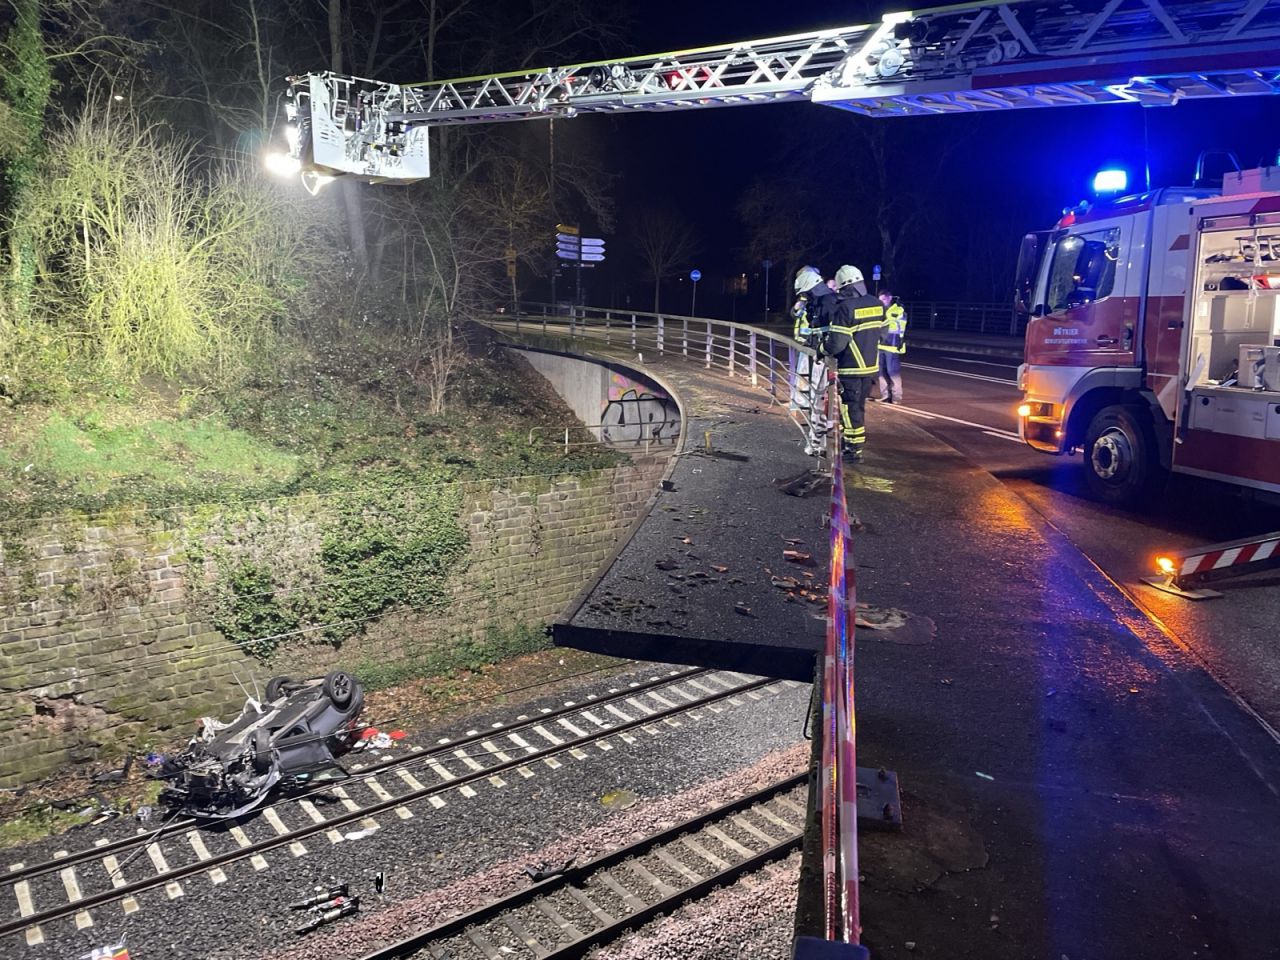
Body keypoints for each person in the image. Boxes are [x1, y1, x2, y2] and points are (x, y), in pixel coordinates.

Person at [826, 265, 885, 462]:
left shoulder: (846, 308)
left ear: (845, 287)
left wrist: (821, 349)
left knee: (849, 408)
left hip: (851, 367)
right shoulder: (877, 303)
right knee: (859, 406)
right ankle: (854, 445)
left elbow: (836, 344)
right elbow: (883, 333)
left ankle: (852, 449)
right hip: (870, 368)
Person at [793, 266, 838, 456]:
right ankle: (816, 441)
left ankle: (819, 443)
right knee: (816, 400)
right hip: (817, 356)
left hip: (826, 359)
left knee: (822, 402)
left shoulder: (828, 302)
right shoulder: (818, 301)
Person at [876, 289, 907, 404]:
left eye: (883, 299)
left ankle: (896, 397)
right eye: (880, 300)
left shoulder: (897, 310)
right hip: (880, 345)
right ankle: (885, 395)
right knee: (881, 372)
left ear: (889, 298)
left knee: (893, 372)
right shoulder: (880, 310)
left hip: (892, 346)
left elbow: (892, 322)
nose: (882, 302)